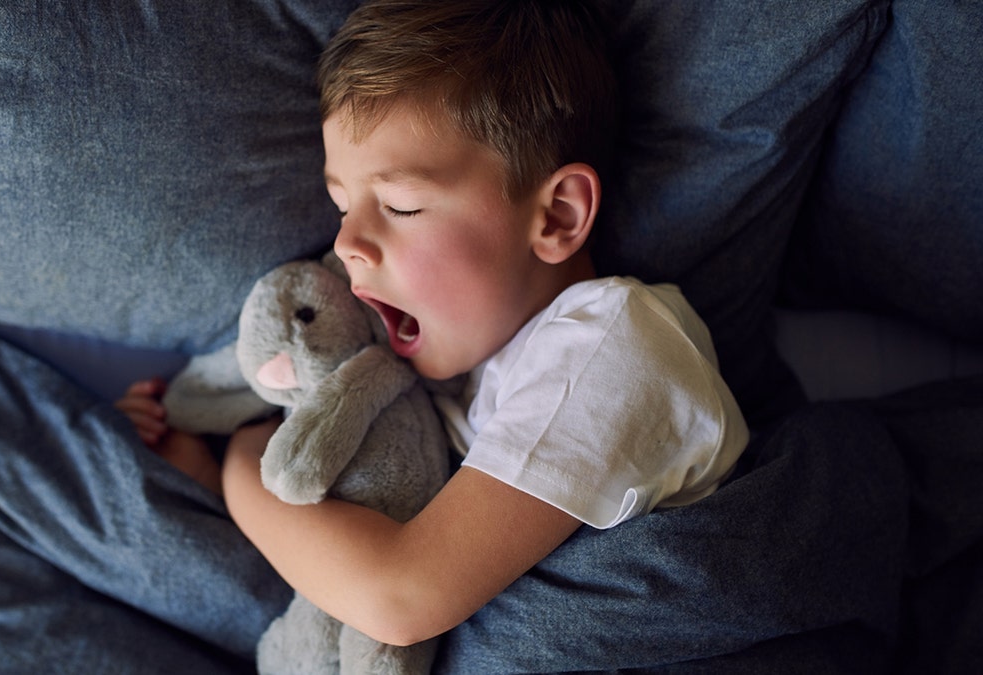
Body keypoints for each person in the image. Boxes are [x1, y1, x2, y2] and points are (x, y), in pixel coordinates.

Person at [119, 0, 748, 650]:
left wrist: (242, 463)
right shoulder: (444, 369)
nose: (348, 243)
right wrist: (193, 470)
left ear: (557, 215)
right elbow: (344, 554)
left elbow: (401, 595)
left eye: (401, 204)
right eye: (341, 205)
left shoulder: (614, 342)